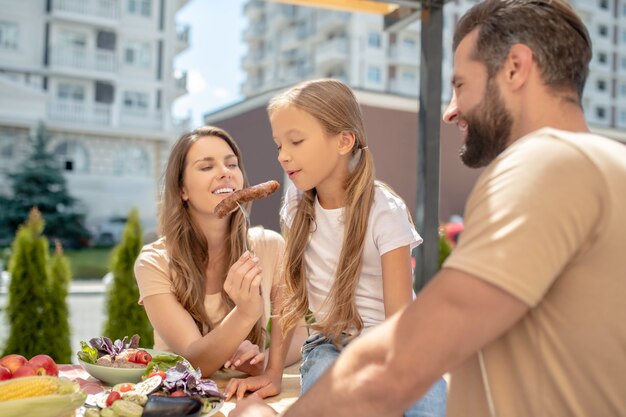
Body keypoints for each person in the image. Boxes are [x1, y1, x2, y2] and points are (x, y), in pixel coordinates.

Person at [231, 0, 626, 416]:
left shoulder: (547, 165)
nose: (450, 110)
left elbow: (403, 356)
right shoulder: (608, 165)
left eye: (461, 85)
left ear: (515, 67)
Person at [225, 79, 447, 417]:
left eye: (296, 141)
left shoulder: (384, 210)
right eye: (279, 145)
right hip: (330, 346)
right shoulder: (296, 204)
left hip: (399, 344)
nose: (283, 156)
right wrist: (273, 372)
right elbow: (287, 293)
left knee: (428, 406)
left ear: (344, 140)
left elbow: (399, 323)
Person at [134, 126, 306, 378]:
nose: (225, 173)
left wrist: (263, 363)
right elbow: (195, 360)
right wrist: (245, 314)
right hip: (184, 401)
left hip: (250, 395)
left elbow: (299, 334)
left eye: (232, 164)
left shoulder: (271, 246)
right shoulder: (154, 262)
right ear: (182, 189)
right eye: (206, 167)